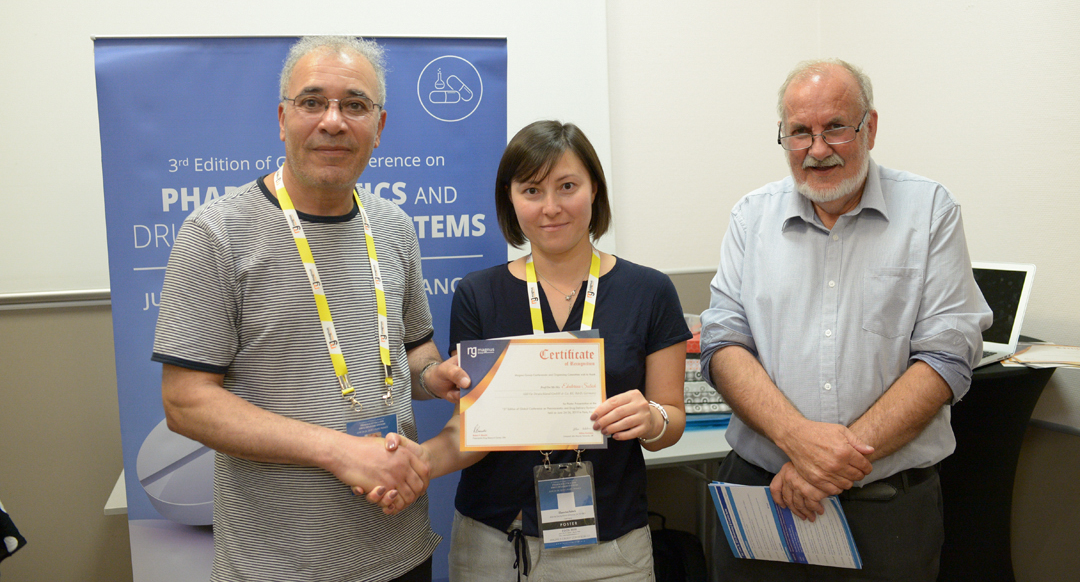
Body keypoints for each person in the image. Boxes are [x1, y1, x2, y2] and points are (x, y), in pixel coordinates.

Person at [151, 35, 469, 582]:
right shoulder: (216, 232)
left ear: (379, 127)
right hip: (278, 563)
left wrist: (432, 376)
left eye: (355, 105)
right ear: (283, 118)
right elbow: (186, 403)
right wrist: (339, 452)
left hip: (401, 550)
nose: (333, 121)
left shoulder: (394, 227)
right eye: (313, 102)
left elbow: (414, 351)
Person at [699, 59, 992, 581]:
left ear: (869, 127)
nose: (817, 149)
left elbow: (946, 357)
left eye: (835, 127)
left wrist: (825, 466)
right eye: (799, 132)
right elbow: (723, 342)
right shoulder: (751, 216)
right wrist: (798, 441)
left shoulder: (929, 211)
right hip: (763, 495)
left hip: (884, 509)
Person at [411, 120, 690, 582]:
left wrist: (652, 418)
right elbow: (471, 430)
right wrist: (416, 462)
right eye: (532, 191)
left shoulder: (649, 291)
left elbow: (671, 419)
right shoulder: (479, 295)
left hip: (610, 549)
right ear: (510, 199)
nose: (551, 207)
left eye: (567, 187)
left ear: (594, 189)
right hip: (494, 544)